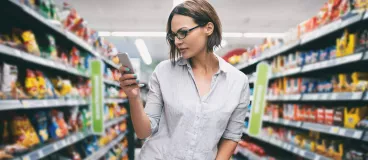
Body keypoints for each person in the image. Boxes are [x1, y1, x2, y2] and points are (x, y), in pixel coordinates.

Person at [119, 0, 250, 159]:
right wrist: (134, 97)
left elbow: (231, 136)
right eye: (173, 35)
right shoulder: (164, 71)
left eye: (183, 32)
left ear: (208, 28)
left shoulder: (238, 82)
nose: (177, 41)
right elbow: (143, 132)